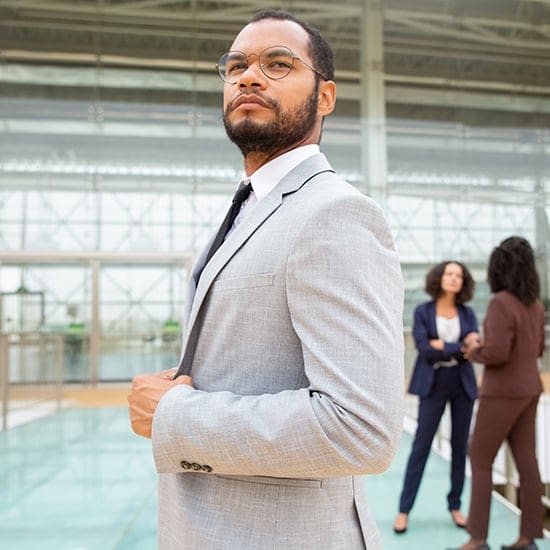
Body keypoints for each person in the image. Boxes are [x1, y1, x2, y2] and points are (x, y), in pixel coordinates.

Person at [127, 9, 405, 550]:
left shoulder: (335, 214)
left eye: (278, 64)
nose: (249, 77)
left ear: (325, 97)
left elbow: (361, 429)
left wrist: (175, 415)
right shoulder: (248, 210)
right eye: (235, 67)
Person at [455, 237, 545, 550]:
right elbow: (537, 349)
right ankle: (528, 538)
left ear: (499, 267)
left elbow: (497, 353)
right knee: (527, 462)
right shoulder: (535, 305)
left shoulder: (501, 302)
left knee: (480, 458)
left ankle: (477, 538)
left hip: (502, 392)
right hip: (530, 388)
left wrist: (473, 349)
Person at [393, 261, 479, 534]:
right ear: (439, 278)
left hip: (461, 384)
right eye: (449, 273)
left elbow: (473, 350)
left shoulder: (467, 313)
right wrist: (459, 346)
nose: (454, 278)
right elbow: (423, 348)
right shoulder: (423, 311)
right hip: (433, 384)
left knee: (459, 448)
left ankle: (455, 504)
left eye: (459, 275)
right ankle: (404, 510)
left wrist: (442, 345)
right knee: (421, 446)